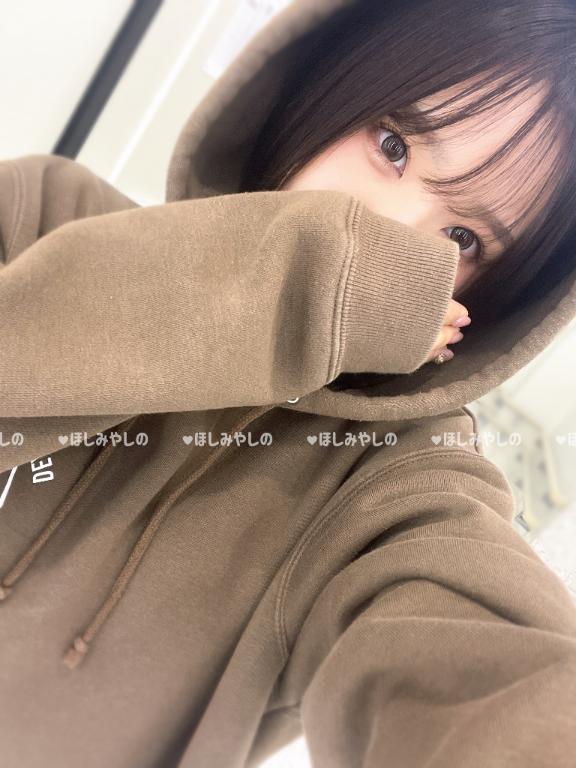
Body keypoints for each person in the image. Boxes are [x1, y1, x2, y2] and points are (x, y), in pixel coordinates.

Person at [0, 0, 575, 766]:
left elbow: (486, 671)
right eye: (393, 146)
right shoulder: (45, 211)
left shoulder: (393, 482)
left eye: (463, 239)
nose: (393, 234)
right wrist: (298, 282)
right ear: (324, 79)